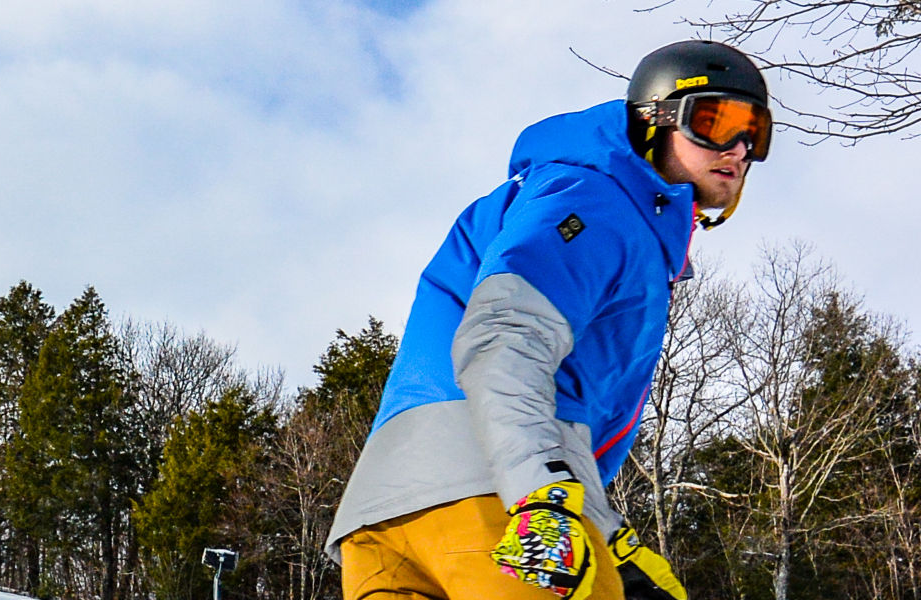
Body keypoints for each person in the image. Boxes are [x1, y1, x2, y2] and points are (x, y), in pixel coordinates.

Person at [330, 40, 774, 600]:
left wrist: (612, 541)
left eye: (755, 132)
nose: (737, 148)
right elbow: (504, 338)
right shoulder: (597, 203)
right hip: (487, 491)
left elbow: (559, 400)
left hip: (387, 517)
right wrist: (539, 495)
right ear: (653, 119)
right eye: (715, 121)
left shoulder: (595, 209)